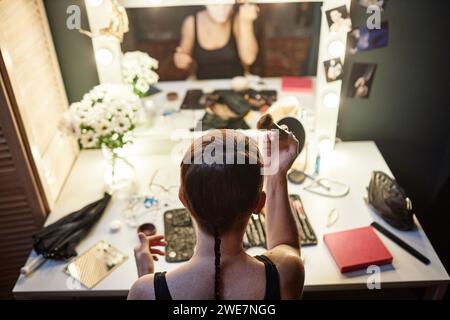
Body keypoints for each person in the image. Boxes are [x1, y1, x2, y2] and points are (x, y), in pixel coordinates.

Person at [128, 129, 305, 300]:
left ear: (183, 200)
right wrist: (277, 172)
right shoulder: (286, 273)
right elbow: (287, 247)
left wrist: (146, 277)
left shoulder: (145, 292)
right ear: (259, 203)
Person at [173, 3, 259, 80]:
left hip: (236, 85)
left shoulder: (237, 19)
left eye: (226, 4)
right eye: (215, 4)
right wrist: (181, 60)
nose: (222, 11)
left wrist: (246, 22)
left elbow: (249, 59)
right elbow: (185, 59)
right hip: (203, 86)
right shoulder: (191, 22)